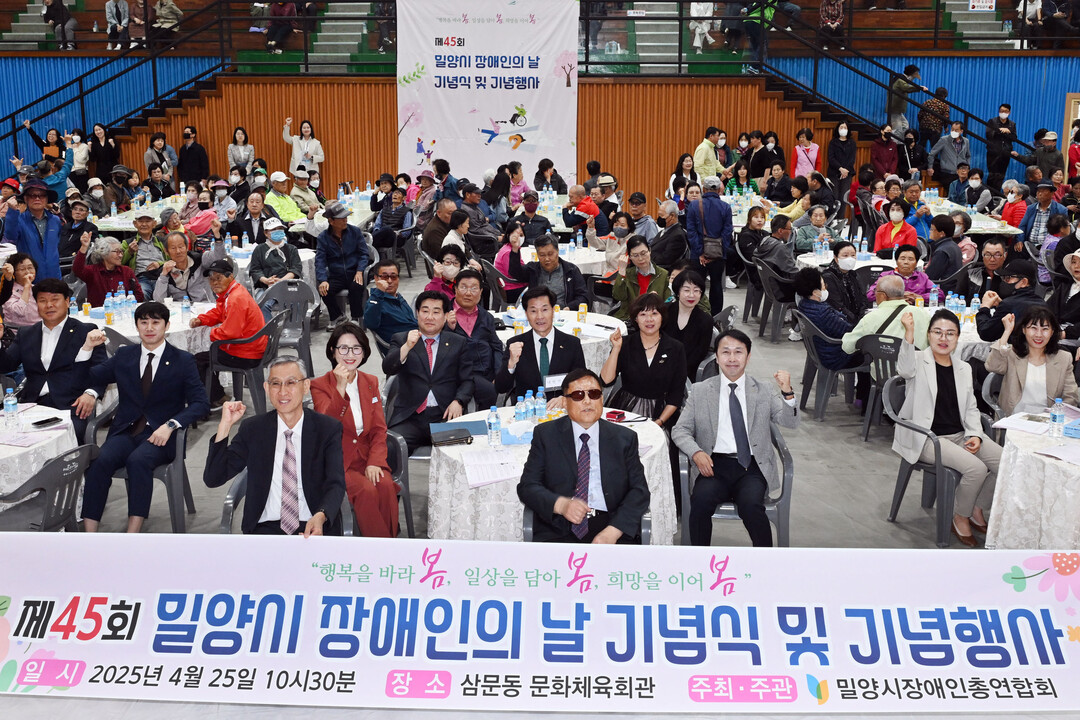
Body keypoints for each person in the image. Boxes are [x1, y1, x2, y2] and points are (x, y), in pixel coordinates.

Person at [80, 301, 209, 533]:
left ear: (166, 326)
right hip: (126, 430)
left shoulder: (182, 360)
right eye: (144, 322)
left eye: (155, 322)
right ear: (137, 326)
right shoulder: (124, 355)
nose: (149, 328)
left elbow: (201, 403)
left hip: (162, 435)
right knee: (100, 462)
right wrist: (88, 348)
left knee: (138, 461)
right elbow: (92, 376)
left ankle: (133, 534)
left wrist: (171, 425)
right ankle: (90, 535)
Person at [672, 329, 798, 547]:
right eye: (726, 352)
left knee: (751, 506)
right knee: (700, 502)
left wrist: (787, 392)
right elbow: (680, 429)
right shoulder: (700, 391)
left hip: (751, 466)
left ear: (748, 357)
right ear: (717, 357)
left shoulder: (763, 390)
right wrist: (696, 453)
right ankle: (700, 560)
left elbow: (790, 422)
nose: (732, 358)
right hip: (713, 465)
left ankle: (767, 560)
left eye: (738, 352)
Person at [205, 356, 346, 536]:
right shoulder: (254, 429)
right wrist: (224, 426)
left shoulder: (327, 429)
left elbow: (336, 483)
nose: (282, 391)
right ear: (266, 388)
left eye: (291, 383)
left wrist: (321, 515)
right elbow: (214, 478)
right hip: (265, 529)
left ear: (305, 386)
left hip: (314, 525)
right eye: (275, 384)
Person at [893, 309, 1000, 547]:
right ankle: (960, 516)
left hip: (960, 434)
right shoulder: (917, 360)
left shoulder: (963, 368)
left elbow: (971, 408)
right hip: (926, 438)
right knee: (976, 469)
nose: (943, 338)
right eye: (937, 332)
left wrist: (975, 434)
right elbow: (904, 370)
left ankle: (975, 507)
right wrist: (909, 334)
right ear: (928, 335)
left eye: (950, 333)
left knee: (1005, 462)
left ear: (958, 338)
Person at [517, 368, 650, 544]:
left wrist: (614, 531)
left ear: (601, 399)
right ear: (565, 402)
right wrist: (561, 505)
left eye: (594, 394)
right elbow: (527, 487)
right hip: (558, 527)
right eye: (578, 395)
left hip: (611, 525)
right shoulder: (546, 435)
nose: (587, 401)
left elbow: (639, 491)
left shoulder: (624, 438)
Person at [309, 323, 399, 538]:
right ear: (333, 351)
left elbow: (379, 429)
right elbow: (326, 426)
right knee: (366, 491)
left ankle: (391, 542)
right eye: (343, 348)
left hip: (367, 456)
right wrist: (340, 389)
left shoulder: (370, 381)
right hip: (337, 460)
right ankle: (378, 549)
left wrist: (375, 461)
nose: (350, 355)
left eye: (356, 348)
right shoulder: (319, 385)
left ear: (364, 352)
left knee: (385, 486)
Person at [0, 278, 107, 440]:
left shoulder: (85, 331)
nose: (49, 305)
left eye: (55, 299)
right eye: (42, 301)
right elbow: (5, 366)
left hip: (72, 404)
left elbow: (102, 369)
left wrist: (91, 394)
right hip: (32, 405)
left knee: (66, 441)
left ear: (67, 302)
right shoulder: (26, 333)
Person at [382, 291, 473, 453]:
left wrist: (458, 401)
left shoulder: (458, 342)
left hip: (445, 415)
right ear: (417, 314)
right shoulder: (402, 339)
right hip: (410, 417)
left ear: (446, 316)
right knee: (389, 447)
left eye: (436, 312)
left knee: (461, 452)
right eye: (425, 311)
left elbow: (468, 380)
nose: (430, 317)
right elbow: (388, 368)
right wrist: (407, 347)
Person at [602, 292, 687, 428]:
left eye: (654, 313)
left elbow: (676, 394)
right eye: (643, 314)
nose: (649, 319)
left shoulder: (676, 348)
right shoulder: (625, 343)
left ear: (662, 317)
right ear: (635, 319)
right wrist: (616, 349)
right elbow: (606, 380)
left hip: (661, 412)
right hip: (626, 408)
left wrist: (659, 422)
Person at [191, 259, 267, 406]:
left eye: (218, 278)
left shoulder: (235, 299)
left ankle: (215, 398)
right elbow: (220, 312)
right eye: (211, 279)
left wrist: (210, 333)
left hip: (246, 353)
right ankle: (215, 395)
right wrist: (202, 319)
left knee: (196, 360)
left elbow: (230, 333)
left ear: (230, 276)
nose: (214, 283)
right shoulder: (233, 291)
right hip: (252, 346)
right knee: (207, 356)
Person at [495, 286, 586, 404]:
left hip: (562, 410)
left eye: (545, 310)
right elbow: (501, 388)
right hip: (527, 410)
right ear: (526, 314)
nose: (539, 316)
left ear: (553, 311)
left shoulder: (571, 344)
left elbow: (582, 383)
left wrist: (566, 398)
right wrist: (511, 364)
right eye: (533, 311)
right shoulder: (516, 344)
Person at [986, 306, 1078, 416]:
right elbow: (992, 366)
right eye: (1033, 328)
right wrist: (1007, 331)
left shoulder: (1063, 358)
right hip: (1013, 419)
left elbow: (1071, 396)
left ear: (1052, 332)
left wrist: (1056, 416)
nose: (1039, 334)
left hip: (1048, 420)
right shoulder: (1012, 353)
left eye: (1045, 329)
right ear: (1024, 330)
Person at [794, 267, 869, 399]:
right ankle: (865, 399)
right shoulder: (823, 313)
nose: (826, 288)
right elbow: (849, 331)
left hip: (820, 350)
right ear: (815, 292)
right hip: (835, 355)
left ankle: (860, 398)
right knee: (871, 354)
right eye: (823, 285)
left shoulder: (804, 304)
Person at [445, 268, 502, 408]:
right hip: (461, 374)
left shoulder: (486, 317)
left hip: (486, 372)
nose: (468, 293)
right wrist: (448, 328)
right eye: (463, 287)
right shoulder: (444, 314)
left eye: (474, 288)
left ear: (481, 292)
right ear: (455, 289)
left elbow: (497, 347)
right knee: (490, 392)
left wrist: (498, 373)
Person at [842, 274, 929, 354]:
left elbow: (847, 347)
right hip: (918, 365)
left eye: (876, 290)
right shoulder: (924, 315)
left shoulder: (870, 318)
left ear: (883, 295)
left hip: (882, 366)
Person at [315, 201, 369, 325]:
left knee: (356, 287)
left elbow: (364, 254)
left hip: (354, 272)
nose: (345, 220)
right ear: (331, 221)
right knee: (325, 290)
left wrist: (360, 270)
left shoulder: (355, 231)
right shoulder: (323, 237)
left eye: (346, 217)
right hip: (336, 275)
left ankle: (356, 319)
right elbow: (320, 261)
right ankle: (338, 317)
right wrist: (323, 280)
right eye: (341, 218)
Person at [686, 176, 734, 313]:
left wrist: (701, 252)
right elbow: (727, 233)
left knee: (696, 286)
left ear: (704, 189)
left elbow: (691, 232)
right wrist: (719, 252)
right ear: (719, 190)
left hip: (698, 255)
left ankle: (697, 313)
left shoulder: (694, 206)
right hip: (718, 254)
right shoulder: (726, 207)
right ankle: (715, 316)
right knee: (716, 284)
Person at [506, 232, 589, 309]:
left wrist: (569, 307)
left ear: (557, 251)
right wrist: (515, 250)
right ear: (537, 255)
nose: (547, 259)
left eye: (550, 254)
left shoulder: (571, 270)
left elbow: (583, 297)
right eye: (542, 255)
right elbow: (514, 272)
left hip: (563, 312)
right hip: (538, 312)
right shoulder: (533, 269)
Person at [1, 180, 63, 280]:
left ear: (47, 199)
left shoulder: (55, 220)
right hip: (29, 279)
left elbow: (57, 245)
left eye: (42, 195)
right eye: (32, 195)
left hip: (55, 277)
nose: (37, 198)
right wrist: (12, 212)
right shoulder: (18, 220)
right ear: (25, 198)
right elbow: (10, 236)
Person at [975, 259, 1047, 341]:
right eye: (1003, 278)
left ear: (1024, 282)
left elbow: (986, 333)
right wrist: (1000, 304)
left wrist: (984, 308)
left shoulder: (1008, 304)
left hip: (1014, 348)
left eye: (1008, 278)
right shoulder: (1042, 303)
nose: (1004, 282)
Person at [663, 270, 712, 383]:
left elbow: (700, 354)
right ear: (678, 291)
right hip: (660, 365)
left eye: (696, 291)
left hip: (687, 373)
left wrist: (677, 371)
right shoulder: (664, 311)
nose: (691, 295)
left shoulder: (706, 320)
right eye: (686, 290)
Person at [152, 229, 223, 302]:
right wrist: (163, 276)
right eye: (173, 248)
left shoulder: (199, 260)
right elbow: (158, 300)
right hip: (181, 307)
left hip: (206, 305)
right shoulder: (166, 271)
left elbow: (219, 257)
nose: (178, 251)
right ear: (166, 251)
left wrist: (217, 237)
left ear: (187, 247)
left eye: (181, 247)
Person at [73, 235, 144, 306]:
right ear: (104, 253)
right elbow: (77, 269)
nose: (121, 255)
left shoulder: (127, 271)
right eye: (117, 252)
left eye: (121, 252)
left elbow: (139, 295)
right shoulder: (92, 271)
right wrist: (84, 247)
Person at [610, 236, 670, 320]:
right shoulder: (627, 274)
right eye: (635, 255)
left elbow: (668, 302)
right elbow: (618, 296)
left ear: (649, 251)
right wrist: (622, 272)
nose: (640, 258)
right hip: (629, 318)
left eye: (643, 253)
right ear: (629, 257)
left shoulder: (662, 274)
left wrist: (657, 300)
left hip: (652, 319)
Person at [867, 244, 942, 306]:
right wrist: (898, 297)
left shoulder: (922, 277)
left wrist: (917, 297)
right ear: (896, 261)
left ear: (916, 263)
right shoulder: (886, 276)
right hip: (892, 310)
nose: (906, 262)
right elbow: (870, 295)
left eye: (910, 259)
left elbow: (940, 295)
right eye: (902, 259)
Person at [364, 259, 416, 345]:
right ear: (376, 278)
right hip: (401, 347)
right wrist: (379, 292)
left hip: (417, 339)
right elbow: (370, 323)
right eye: (385, 277)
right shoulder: (375, 301)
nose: (389, 281)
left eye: (393, 277)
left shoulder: (398, 298)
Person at [249, 217, 302, 303]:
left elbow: (296, 268)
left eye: (280, 228)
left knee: (296, 304)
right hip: (265, 287)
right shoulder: (259, 249)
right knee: (264, 304)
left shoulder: (291, 249)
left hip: (289, 286)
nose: (277, 231)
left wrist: (281, 281)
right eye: (273, 229)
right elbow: (255, 270)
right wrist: (266, 280)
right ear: (266, 233)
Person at [821, 240, 867, 325]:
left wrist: (862, 317)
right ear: (836, 258)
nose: (850, 259)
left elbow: (863, 298)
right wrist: (855, 322)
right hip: (839, 320)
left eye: (853, 255)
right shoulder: (828, 277)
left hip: (858, 319)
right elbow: (837, 305)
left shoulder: (853, 274)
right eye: (845, 255)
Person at [953, 237, 1009, 302]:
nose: (992, 259)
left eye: (997, 255)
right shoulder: (971, 274)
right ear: (982, 255)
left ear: (1005, 255)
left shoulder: (1009, 277)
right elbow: (958, 298)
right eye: (988, 255)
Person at [457, 183, 501, 260]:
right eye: (476, 194)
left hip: (488, 238)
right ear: (467, 195)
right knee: (508, 244)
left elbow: (484, 224)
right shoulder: (468, 211)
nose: (479, 196)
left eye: (480, 194)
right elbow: (477, 230)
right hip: (482, 243)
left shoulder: (474, 206)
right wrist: (496, 237)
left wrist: (497, 233)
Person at [1019, 182, 1068, 247]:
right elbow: (1022, 226)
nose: (1040, 194)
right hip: (1030, 244)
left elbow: (1063, 231)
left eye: (1044, 191)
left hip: (1049, 246)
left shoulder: (1061, 209)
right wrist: (1020, 241)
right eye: (1038, 191)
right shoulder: (1031, 208)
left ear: (1052, 193)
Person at [0, 254, 41, 330]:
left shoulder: (37, 288)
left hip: (42, 328)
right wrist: (26, 287)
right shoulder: (8, 292)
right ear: (13, 273)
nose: (27, 272)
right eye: (22, 269)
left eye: (30, 268)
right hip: (20, 332)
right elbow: (19, 312)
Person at [886, 64, 928, 140]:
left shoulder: (900, 79)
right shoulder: (900, 80)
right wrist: (919, 88)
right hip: (894, 109)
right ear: (911, 74)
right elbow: (906, 88)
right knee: (897, 128)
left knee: (905, 125)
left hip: (897, 110)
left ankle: (900, 141)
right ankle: (894, 143)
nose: (914, 78)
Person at [927, 121, 972, 190]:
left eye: (956, 130)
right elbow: (932, 154)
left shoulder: (966, 141)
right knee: (951, 193)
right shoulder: (944, 140)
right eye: (952, 129)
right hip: (947, 173)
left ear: (961, 131)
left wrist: (967, 167)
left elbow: (968, 156)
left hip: (961, 174)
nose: (953, 132)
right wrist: (930, 167)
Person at [986, 104, 1017, 190]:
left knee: (1001, 175)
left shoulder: (1012, 124)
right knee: (992, 174)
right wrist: (999, 130)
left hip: (1005, 153)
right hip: (993, 152)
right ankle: (990, 192)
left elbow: (1014, 138)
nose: (1003, 113)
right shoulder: (992, 121)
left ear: (1009, 112)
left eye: (1006, 111)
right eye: (1001, 111)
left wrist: (1008, 132)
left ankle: (997, 192)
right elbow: (988, 135)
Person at [651, 200, 689, 270]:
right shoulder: (662, 231)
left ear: (672, 216)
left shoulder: (678, 236)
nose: (659, 218)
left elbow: (666, 259)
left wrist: (647, 258)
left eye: (661, 215)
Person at [924, 215, 963, 283]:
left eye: (932, 229)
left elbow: (930, 277)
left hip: (942, 286)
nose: (929, 231)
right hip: (954, 284)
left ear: (941, 233)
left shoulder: (942, 252)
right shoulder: (953, 245)